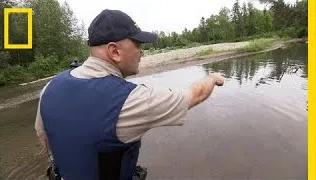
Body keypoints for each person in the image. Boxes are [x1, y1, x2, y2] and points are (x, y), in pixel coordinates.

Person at [34, 9, 225, 180]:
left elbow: (44, 138)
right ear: (115, 51)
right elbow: (196, 94)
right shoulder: (130, 100)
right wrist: (213, 78)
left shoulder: (50, 87)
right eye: (138, 45)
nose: (141, 53)